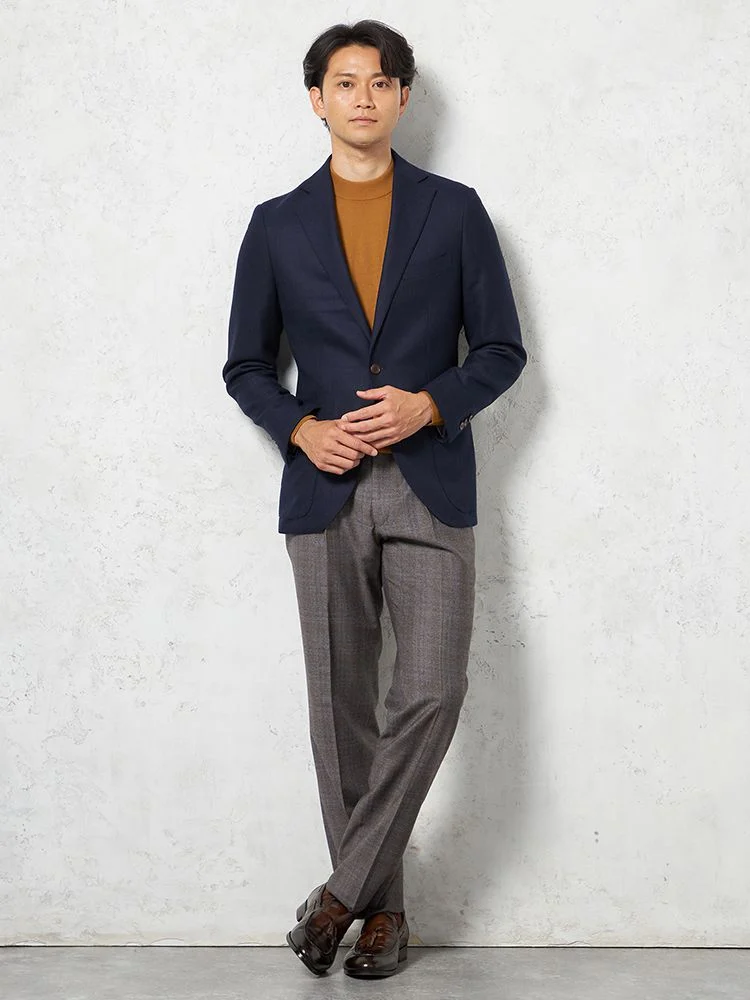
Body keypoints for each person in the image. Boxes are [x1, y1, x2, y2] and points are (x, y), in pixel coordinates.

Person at [222, 19, 526, 979]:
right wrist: (300, 428)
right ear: (317, 99)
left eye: (381, 81)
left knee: (431, 689)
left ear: (403, 97)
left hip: (431, 482)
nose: (364, 96)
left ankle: (337, 896)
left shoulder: (456, 211)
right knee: (341, 706)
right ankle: (384, 915)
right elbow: (245, 365)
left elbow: (502, 350)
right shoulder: (277, 224)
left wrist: (430, 403)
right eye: (345, 81)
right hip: (325, 490)